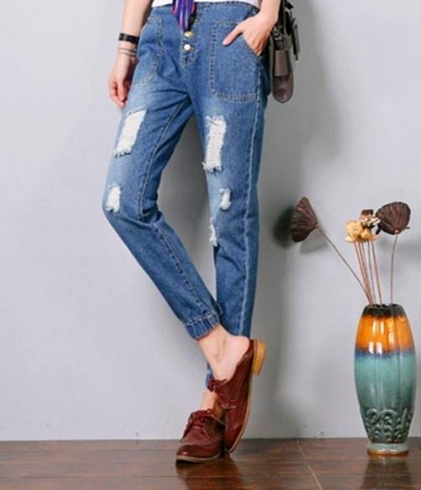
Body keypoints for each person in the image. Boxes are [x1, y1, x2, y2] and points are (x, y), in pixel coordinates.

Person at [103, 0, 280, 463]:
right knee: (123, 201)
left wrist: (268, 15)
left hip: (229, 30)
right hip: (161, 33)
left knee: (229, 214)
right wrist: (127, 46)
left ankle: (213, 405)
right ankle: (223, 348)